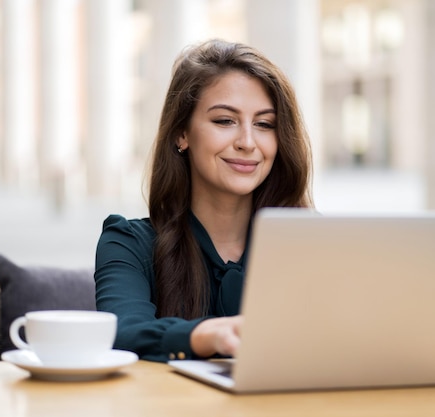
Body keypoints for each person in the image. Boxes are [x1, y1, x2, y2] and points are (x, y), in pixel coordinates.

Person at [94, 39, 313, 363]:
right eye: (225, 120)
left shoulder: (310, 243)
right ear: (182, 133)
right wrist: (204, 337)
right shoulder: (128, 243)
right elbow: (121, 333)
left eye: (265, 124)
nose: (247, 142)